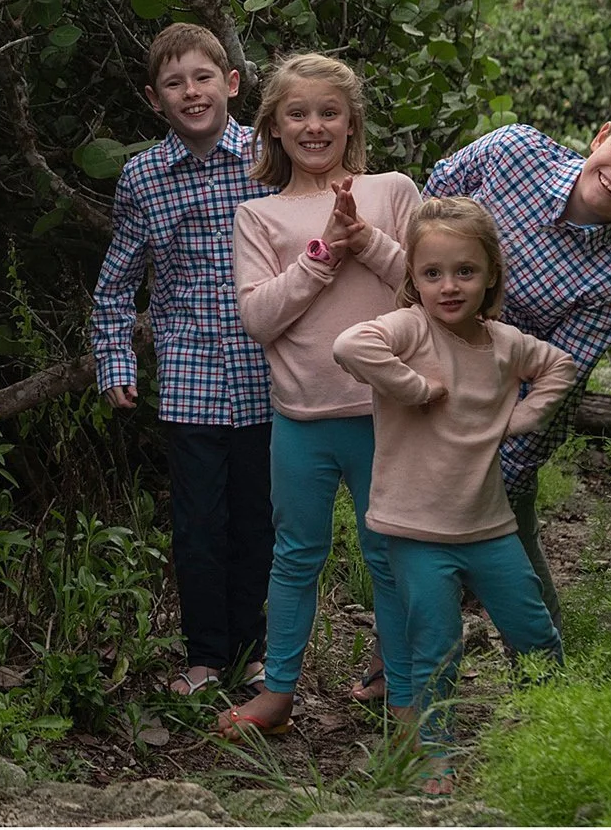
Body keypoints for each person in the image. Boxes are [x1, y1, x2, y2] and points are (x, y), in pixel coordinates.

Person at [419, 103, 611, 618]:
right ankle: (401, 655)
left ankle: (541, 661)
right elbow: (423, 208)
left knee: (508, 555)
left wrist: (495, 475)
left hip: (498, 420)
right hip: (419, 375)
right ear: (602, 136)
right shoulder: (514, 151)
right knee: (407, 544)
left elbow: (557, 380)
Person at [331, 197, 576, 786]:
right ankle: (435, 752)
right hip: (416, 533)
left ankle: (554, 728)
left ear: (490, 274)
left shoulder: (505, 343)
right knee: (436, 647)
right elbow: (349, 346)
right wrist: (414, 388)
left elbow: (560, 367)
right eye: (432, 273)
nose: (449, 286)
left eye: (465, 271)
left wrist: (520, 419)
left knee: (534, 631)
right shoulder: (411, 329)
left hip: (489, 527)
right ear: (413, 278)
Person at [214, 54, 419, 739]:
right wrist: (323, 252)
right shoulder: (258, 214)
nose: (314, 125)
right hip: (301, 420)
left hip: (388, 416)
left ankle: (405, 697)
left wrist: (368, 241)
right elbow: (259, 317)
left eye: (329, 112)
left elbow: (429, 288)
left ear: (351, 121)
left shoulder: (391, 191)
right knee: (296, 556)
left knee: (389, 557)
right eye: (297, 113)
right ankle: (277, 692)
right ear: (273, 126)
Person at [90, 22, 277, 697]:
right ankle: (204, 659)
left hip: (268, 373)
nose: (191, 92)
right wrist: (115, 363)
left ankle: (251, 653)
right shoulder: (143, 177)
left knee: (258, 523)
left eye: (203, 77)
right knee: (198, 526)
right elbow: (116, 284)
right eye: (174, 83)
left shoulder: (269, 157)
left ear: (232, 83)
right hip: (190, 375)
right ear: (154, 98)